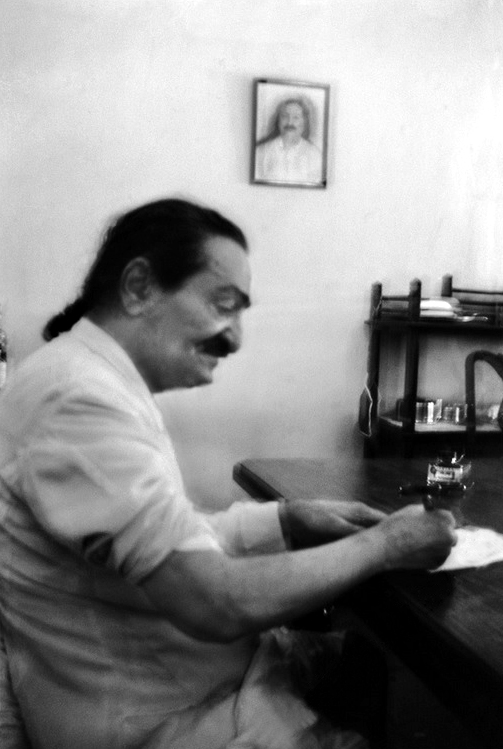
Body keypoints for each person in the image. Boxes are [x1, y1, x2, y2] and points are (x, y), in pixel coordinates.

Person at [0, 198, 457, 749]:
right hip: (157, 718)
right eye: (224, 304)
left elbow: (168, 541)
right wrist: (387, 544)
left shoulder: (84, 377)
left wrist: (287, 520)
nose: (236, 338)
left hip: (174, 680)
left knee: (358, 663)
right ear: (139, 286)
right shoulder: (78, 398)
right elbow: (214, 602)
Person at [255, 97, 323, 183]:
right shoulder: (261, 152)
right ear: (278, 121)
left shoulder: (315, 155)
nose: (290, 122)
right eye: (285, 117)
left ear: (304, 122)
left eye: (296, 117)